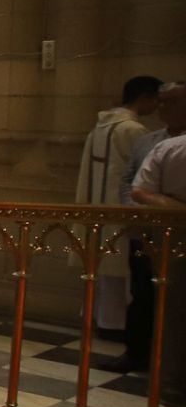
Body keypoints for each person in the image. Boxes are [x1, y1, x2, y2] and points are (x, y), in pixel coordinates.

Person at [77, 75, 162, 335]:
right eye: (157, 101)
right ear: (144, 97)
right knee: (120, 268)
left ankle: (102, 319)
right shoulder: (133, 130)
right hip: (120, 208)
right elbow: (141, 174)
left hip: (100, 206)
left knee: (105, 267)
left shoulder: (101, 126)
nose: (158, 108)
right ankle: (116, 325)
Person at [114, 82, 185, 374]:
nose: (162, 108)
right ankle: (137, 353)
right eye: (161, 101)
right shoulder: (149, 141)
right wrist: (137, 216)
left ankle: (171, 367)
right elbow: (129, 181)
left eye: (172, 102)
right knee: (143, 293)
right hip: (146, 232)